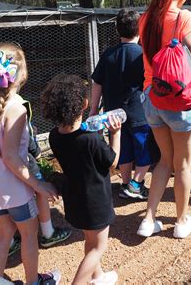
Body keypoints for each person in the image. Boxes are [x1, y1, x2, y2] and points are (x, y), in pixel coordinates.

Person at [0, 43, 60, 285]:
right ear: (22, 75)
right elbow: (10, 157)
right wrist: (39, 185)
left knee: (4, 233)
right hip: (15, 190)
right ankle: (33, 282)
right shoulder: (16, 107)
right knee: (29, 235)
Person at [137, 0, 191, 239]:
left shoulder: (145, 18)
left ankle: (148, 219)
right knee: (183, 164)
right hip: (180, 102)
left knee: (164, 160)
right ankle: (181, 221)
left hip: (152, 97)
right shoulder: (185, 17)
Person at [42, 74, 121, 285]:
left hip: (74, 198)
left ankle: (98, 276)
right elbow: (112, 163)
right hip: (95, 201)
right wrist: (116, 134)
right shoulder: (91, 139)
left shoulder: (54, 136)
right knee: (98, 247)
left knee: (90, 240)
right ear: (85, 104)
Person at [90, 9, 151, 200]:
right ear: (140, 30)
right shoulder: (143, 55)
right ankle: (135, 184)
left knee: (122, 149)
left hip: (113, 114)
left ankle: (125, 183)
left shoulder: (108, 54)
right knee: (144, 149)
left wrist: (94, 109)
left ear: (117, 29)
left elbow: (97, 83)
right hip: (140, 113)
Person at [9, 100, 72, 255]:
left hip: (0, 167)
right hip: (25, 161)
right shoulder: (18, 105)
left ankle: (9, 241)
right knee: (41, 191)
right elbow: (26, 134)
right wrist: (36, 151)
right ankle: (48, 232)